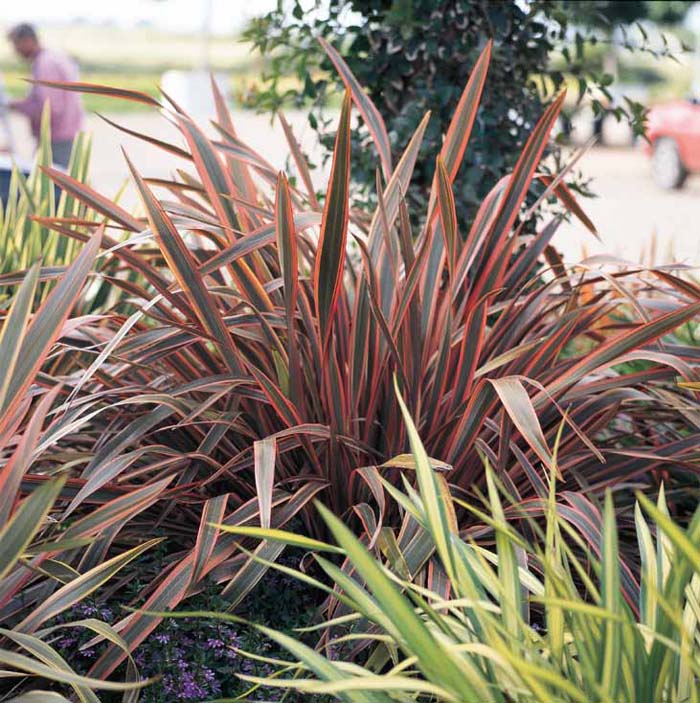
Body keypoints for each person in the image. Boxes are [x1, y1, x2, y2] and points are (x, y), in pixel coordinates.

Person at [6, 23, 84, 168]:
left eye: (16, 44)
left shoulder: (46, 64)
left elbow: (50, 108)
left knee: (52, 186)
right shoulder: (52, 58)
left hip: (57, 138)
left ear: (28, 41)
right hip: (64, 135)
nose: (15, 51)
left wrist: (13, 105)